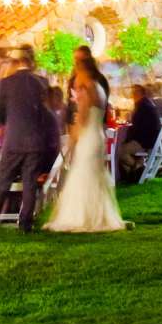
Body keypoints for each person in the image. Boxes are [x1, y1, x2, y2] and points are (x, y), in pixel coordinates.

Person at [0, 56, 57, 232]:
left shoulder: (6, 83)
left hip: (14, 140)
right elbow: (45, 113)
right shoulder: (42, 82)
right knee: (30, 184)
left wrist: (8, 122)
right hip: (36, 140)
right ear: (31, 65)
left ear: (18, 64)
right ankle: (26, 223)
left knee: (2, 182)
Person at [47, 48, 126, 233]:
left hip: (88, 137)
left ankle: (82, 217)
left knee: (84, 175)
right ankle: (96, 215)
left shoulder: (86, 90)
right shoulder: (99, 86)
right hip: (98, 135)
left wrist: (72, 140)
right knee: (92, 175)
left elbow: (81, 119)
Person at [120, 82, 162, 179]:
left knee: (120, 151)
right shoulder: (147, 103)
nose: (132, 95)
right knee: (126, 146)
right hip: (152, 140)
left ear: (139, 93)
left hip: (145, 142)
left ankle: (138, 168)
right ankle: (134, 175)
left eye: (134, 93)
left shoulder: (142, 106)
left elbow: (136, 128)